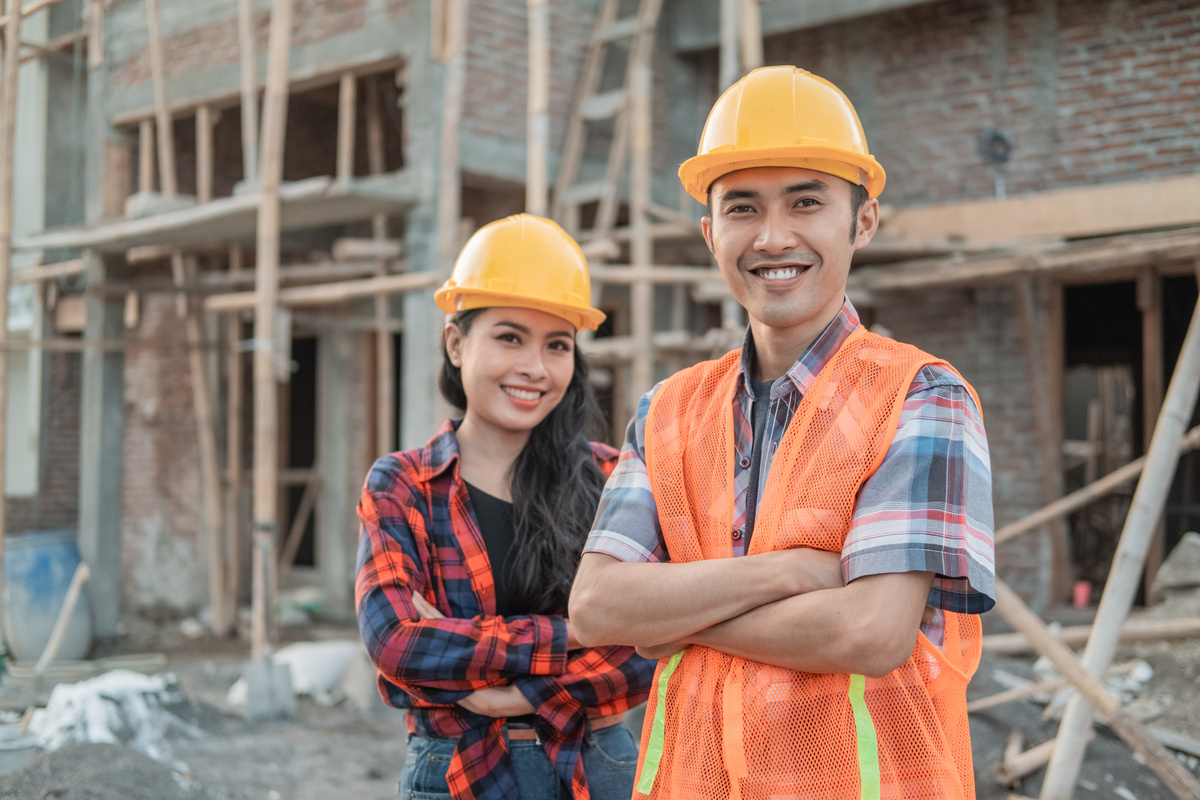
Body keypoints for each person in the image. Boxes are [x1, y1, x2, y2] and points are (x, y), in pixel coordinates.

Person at [569, 66, 996, 799]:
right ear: (710, 233)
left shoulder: (921, 397)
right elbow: (596, 608)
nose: (773, 237)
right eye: (743, 208)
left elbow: (869, 632)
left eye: (806, 202)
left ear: (862, 221)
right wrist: (790, 573)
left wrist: (673, 620)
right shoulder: (667, 411)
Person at [356, 214, 655, 800]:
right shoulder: (404, 485)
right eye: (510, 337)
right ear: (456, 342)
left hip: (599, 766)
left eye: (557, 345)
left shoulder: (609, 476)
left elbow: (655, 645)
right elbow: (394, 642)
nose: (535, 368)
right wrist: (576, 634)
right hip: (456, 770)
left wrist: (506, 689)